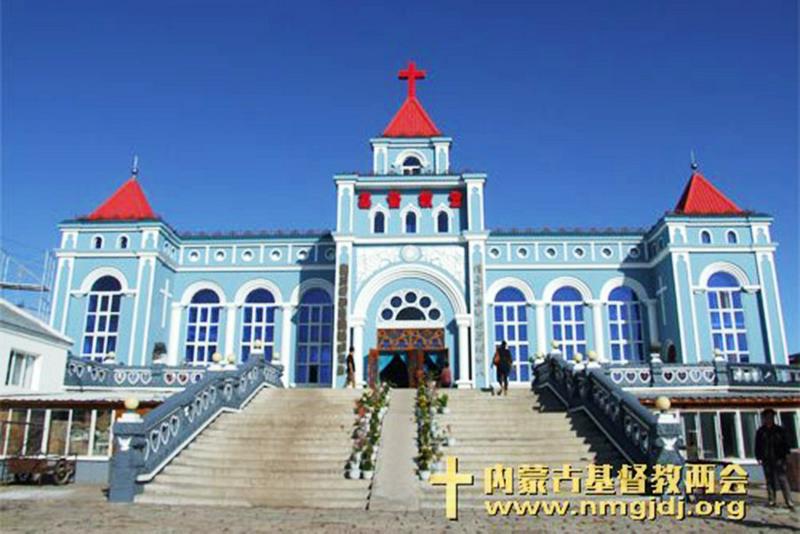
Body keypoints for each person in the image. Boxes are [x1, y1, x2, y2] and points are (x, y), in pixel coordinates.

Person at [755, 408, 795, 510]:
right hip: (766, 458)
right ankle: (772, 500)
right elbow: (757, 445)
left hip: (779, 458)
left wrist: (786, 455)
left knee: (782, 479)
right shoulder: (761, 431)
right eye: (767, 417)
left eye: (771, 417)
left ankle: (789, 501)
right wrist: (758, 457)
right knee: (769, 480)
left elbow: (786, 443)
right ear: (764, 419)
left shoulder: (779, 430)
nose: (769, 419)